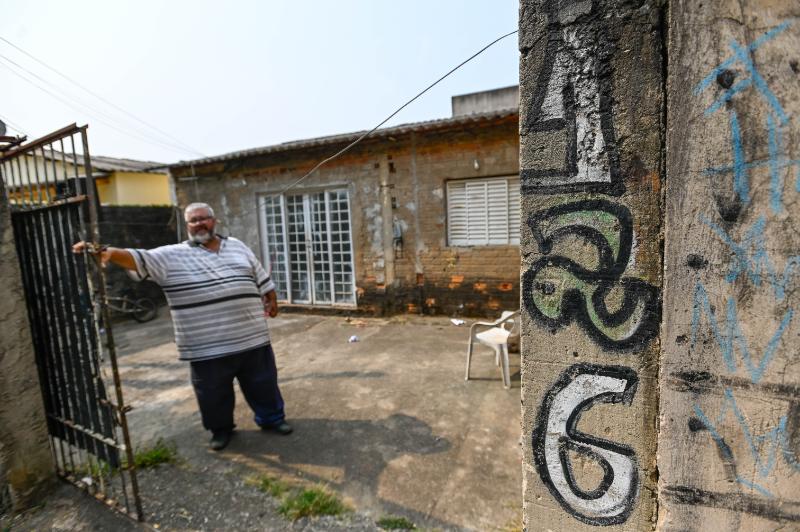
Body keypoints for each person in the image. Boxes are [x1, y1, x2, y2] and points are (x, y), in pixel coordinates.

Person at [73, 202, 292, 451]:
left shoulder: (237, 245)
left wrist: (270, 297)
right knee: (212, 392)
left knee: (263, 383)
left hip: (251, 337)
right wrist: (107, 251)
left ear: (214, 221)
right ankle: (220, 430)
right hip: (206, 345)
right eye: (193, 220)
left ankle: (273, 419)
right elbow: (138, 258)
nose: (199, 223)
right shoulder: (171, 255)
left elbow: (259, 273)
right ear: (187, 226)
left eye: (204, 218)